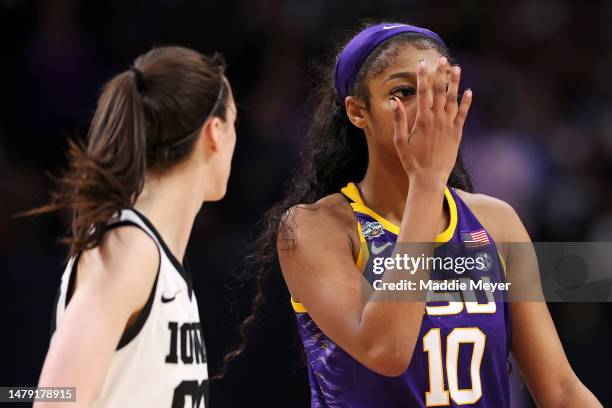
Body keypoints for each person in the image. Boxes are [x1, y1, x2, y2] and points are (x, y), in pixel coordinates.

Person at [225, 23, 601, 407]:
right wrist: (425, 184)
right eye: (404, 92)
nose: (427, 108)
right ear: (358, 111)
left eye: (441, 91)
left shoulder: (496, 221)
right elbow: (385, 351)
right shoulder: (316, 227)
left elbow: (560, 390)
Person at [33, 46, 237, 407]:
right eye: (235, 123)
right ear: (215, 132)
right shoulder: (131, 250)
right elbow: (55, 399)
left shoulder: (158, 260)